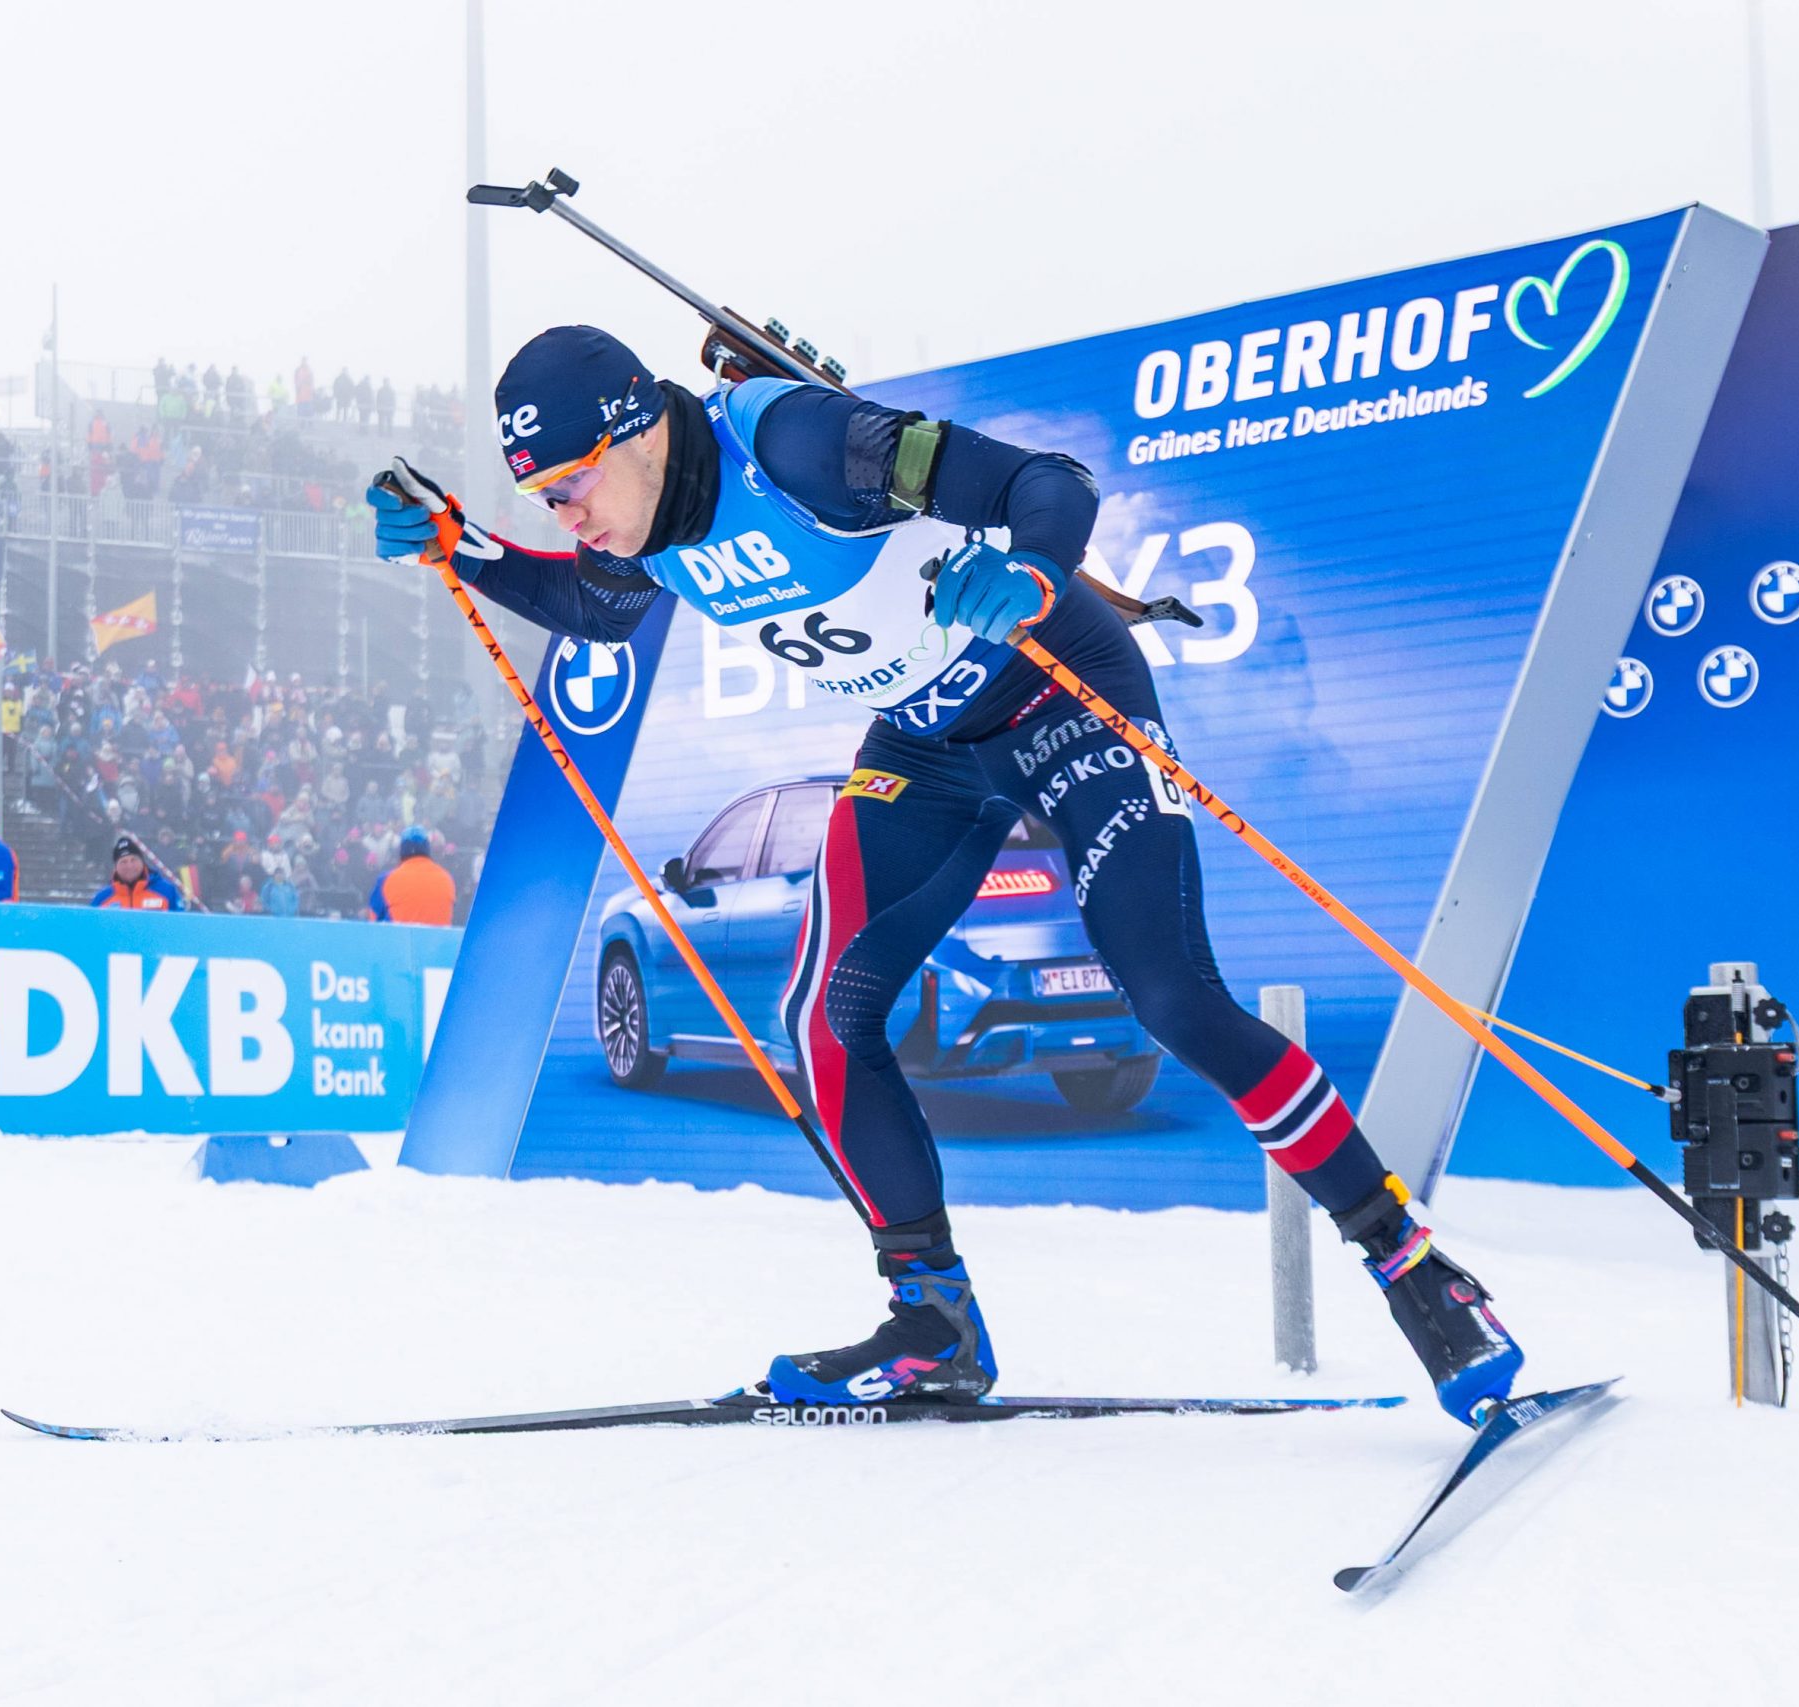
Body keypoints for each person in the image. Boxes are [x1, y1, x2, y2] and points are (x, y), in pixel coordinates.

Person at [365, 326, 1523, 1424]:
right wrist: (464, 545)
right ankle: (933, 1324)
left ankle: (1422, 1276)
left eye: (566, 487)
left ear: (634, 431)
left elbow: (1047, 485)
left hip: (1059, 687)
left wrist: (1025, 573)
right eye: (541, 500)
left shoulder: (790, 441)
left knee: (1171, 997)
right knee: (824, 1017)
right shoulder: (645, 523)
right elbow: (597, 614)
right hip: (923, 744)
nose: (564, 516)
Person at [366, 825, 454, 924]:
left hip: (398, 938)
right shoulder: (446, 879)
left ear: (401, 850)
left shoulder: (386, 881)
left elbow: (373, 920)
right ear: (427, 849)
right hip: (438, 939)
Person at [91, 836, 184, 911]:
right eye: (123, 862)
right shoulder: (102, 898)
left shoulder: (167, 891)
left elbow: (180, 927)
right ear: (116, 866)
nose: (129, 866)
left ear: (142, 862)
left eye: (133, 860)